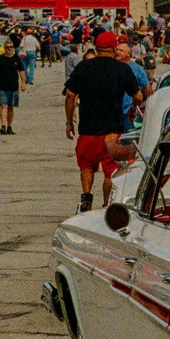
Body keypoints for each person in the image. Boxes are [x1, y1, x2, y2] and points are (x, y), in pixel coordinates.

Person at [64, 30, 142, 212]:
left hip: (87, 130)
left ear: (96, 48)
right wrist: (132, 110)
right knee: (111, 171)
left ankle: (86, 198)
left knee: (86, 167)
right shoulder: (122, 69)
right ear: (114, 48)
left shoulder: (83, 67)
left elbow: (70, 95)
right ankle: (106, 204)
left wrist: (69, 121)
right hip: (112, 131)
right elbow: (138, 96)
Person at [0, 40, 23, 135]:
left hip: (13, 87)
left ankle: (9, 126)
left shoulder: (16, 59)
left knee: (11, 107)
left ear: (13, 48)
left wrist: (24, 82)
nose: (9, 49)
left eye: (11, 47)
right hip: (1, 87)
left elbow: (21, 71)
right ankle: (3, 126)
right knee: (3, 105)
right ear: (4, 48)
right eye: (7, 47)